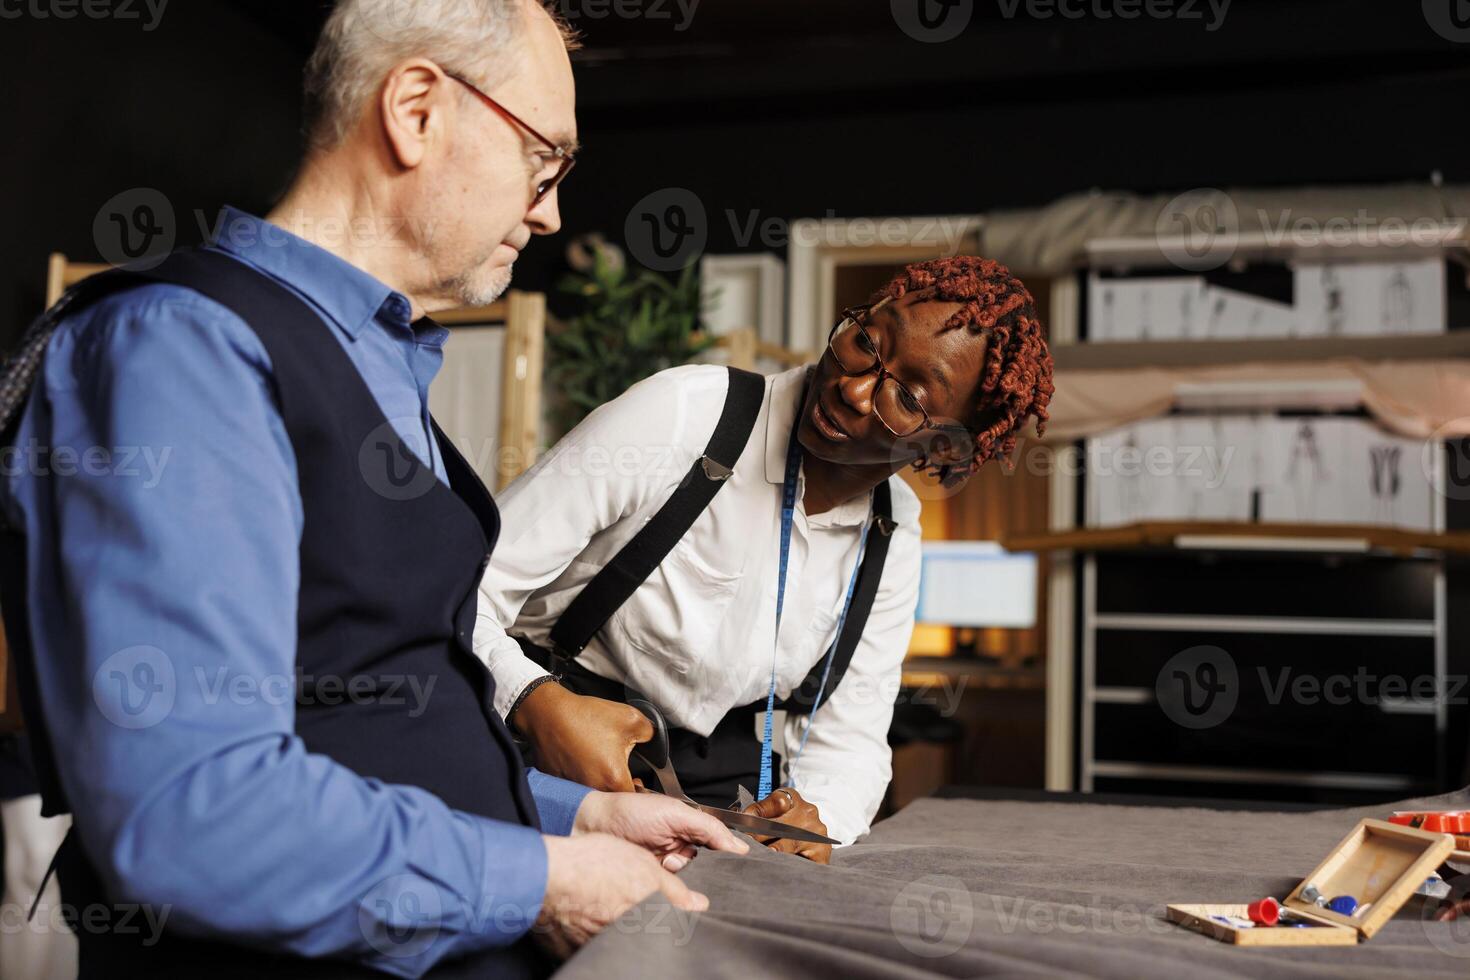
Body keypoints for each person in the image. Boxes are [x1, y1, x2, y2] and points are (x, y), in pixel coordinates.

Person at [0, 2, 745, 977]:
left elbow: (364, 725)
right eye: (543, 159)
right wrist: (546, 878)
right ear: (418, 108)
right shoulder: (181, 347)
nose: (551, 209)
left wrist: (579, 813)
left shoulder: (367, 362)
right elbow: (193, 811)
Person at [476, 255, 1055, 861]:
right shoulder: (685, 416)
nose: (853, 388)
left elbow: (848, 738)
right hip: (540, 743)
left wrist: (817, 814)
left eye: (907, 396)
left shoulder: (893, 531)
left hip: (707, 784)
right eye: (864, 342)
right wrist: (535, 702)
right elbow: (460, 589)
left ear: (944, 445)